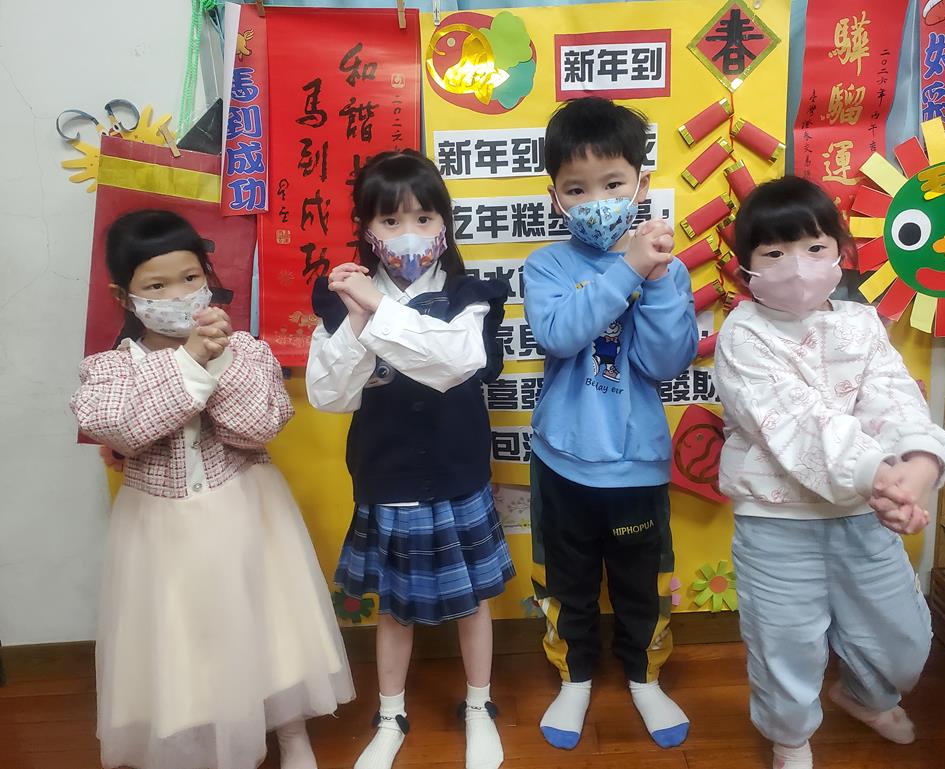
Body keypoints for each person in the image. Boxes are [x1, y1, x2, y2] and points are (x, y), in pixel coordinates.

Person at [71, 209, 354, 769]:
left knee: (271, 621)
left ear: (208, 276)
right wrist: (190, 362)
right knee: (182, 639)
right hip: (160, 528)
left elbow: (260, 427)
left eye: (190, 277)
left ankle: (291, 730)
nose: (178, 295)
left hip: (248, 506)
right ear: (124, 296)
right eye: (157, 286)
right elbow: (126, 429)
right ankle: (200, 745)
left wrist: (216, 359)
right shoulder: (109, 371)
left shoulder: (245, 349)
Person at [713, 176, 945, 769]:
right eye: (774, 253)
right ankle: (790, 740)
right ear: (746, 268)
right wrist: (881, 475)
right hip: (776, 524)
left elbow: (894, 399)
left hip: (863, 518)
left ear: (840, 252)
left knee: (903, 642)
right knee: (784, 648)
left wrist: (918, 466)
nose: (797, 266)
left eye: (815, 247)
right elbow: (796, 422)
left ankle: (863, 697)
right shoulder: (742, 333)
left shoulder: (862, 323)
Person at [306, 150, 513, 769]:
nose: (409, 235)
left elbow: (457, 364)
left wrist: (378, 308)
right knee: (393, 607)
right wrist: (357, 314)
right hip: (386, 473)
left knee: (473, 601)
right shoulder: (339, 296)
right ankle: (390, 715)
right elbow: (330, 395)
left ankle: (479, 706)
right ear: (366, 228)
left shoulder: (471, 295)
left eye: (423, 218)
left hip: (458, 472)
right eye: (390, 221)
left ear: (445, 223)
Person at [523, 96, 698, 751]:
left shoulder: (667, 269)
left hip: (636, 464)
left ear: (641, 185)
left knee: (640, 586)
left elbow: (664, 361)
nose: (595, 199)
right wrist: (627, 267)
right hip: (562, 462)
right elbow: (559, 334)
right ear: (556, 198)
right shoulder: (547, 265)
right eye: (577, 188)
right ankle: (574, 678)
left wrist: (653, 276)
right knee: (564, 582)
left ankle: (644, 677)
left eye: (612, 183)